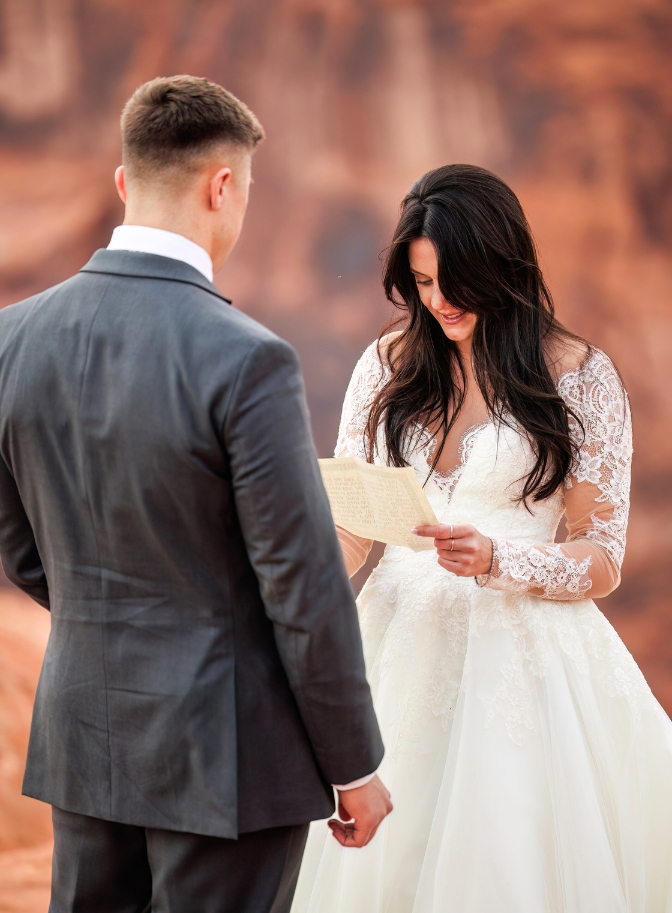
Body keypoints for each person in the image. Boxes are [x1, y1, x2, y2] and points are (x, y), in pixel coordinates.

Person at [0, 75, 392, 913]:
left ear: (122, 183)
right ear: (222, 187)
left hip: (86, 737)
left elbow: (22, 549)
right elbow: (301, 584)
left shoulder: (10, 338)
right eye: (244, 190)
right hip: (230, 759)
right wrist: (353, 764)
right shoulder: (249, 358)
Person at [292, 164, 672, 913]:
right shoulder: (388, 363)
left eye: (455, 280)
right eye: (424, 283)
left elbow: (602, 557)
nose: (440, 301)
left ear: (505, 264)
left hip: (524, 662)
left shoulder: (580, 376)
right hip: (394, 644)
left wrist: (502, 559)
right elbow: (353, 526)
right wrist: (299, 598)